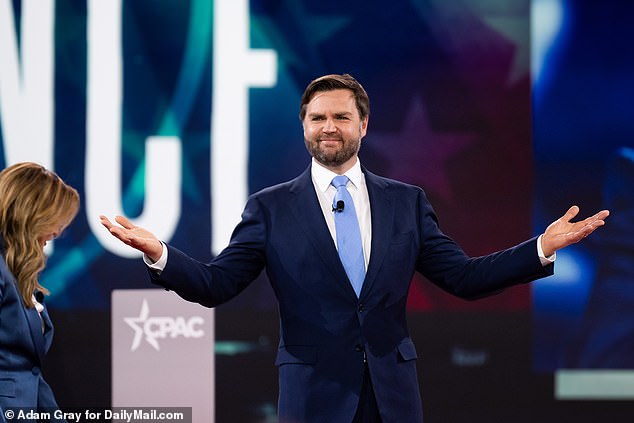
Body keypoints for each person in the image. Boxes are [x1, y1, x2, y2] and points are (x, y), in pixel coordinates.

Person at [100, 74, 609, 423]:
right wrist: (159, 253)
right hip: (313, 395)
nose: (329, 127)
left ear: (363, 126)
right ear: (303, 126)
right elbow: (216, 285)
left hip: (393, 396)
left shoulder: (405, 202)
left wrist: (539, 247)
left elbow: (464, 277)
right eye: (318, 117)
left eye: (341, 117)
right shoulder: (270, 208)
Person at [0, 162, 80, 422]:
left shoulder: (17, 273)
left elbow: (31, 374)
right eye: (54, 220)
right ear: (30, 214)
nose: (57, 232)